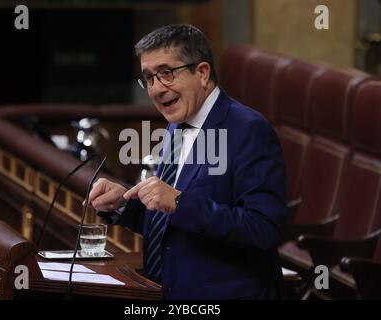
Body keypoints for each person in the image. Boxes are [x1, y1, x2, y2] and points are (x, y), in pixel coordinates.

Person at [87, 24, 287, 299]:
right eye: (149, 78)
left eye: (166, 74)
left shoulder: (249, 129)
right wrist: (124, 204)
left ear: (202, 73)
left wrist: (180, 202)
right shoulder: (178, 125)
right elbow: (171, 219)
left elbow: (264, 230)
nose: (156, 89)